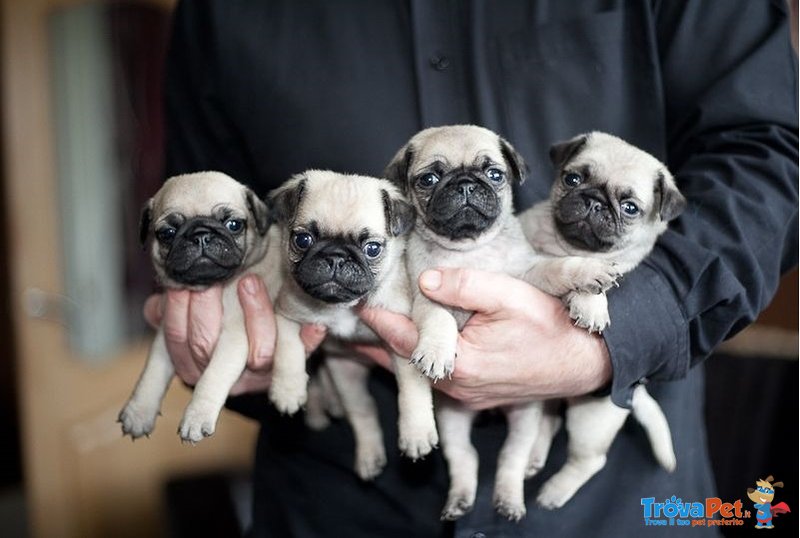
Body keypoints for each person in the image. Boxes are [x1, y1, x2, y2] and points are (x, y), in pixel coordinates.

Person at [146, 1, 798, 536]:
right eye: (432, 181)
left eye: (487, 174)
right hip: (338, 491)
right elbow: (214, 214)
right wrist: (221, 329)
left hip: (617, 500)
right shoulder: (220, 15)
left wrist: (622, 328)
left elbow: (771, 155)